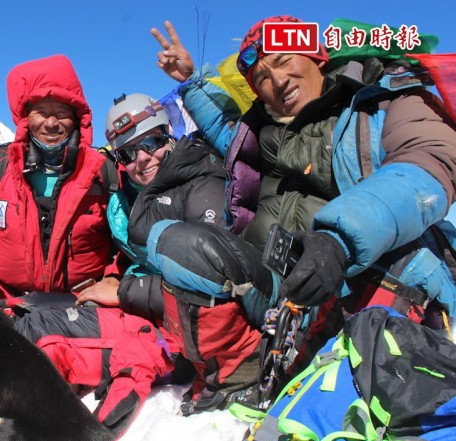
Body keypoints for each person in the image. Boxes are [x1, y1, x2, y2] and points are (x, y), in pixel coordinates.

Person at [147, 16, 456, 380]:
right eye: (261, 76)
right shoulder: (260, 134)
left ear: (317, 56)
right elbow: (221, 124)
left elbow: (426, 162)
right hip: (280, 294)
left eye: (283, 60)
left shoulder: (383, 99)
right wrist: (191, 80)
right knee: (177, 240)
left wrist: (338, 240)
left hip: (360, 279)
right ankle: (243, 372)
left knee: (403, 259)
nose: (277, 81)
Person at [76, 93, 276, 415]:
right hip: (158, 312)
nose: (143, 158)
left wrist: (125, 291)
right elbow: (134, 258)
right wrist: (115, 278)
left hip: (220, 324)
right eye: (129, 152)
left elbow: (208, 276)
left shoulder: (200, 183)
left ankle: (238, 380)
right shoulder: (128, 199)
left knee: (186, 246)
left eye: (152, 141)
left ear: (168, 135)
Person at [0, 54, 117, 299]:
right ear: (25, 118)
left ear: (77, 117)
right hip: (10, 302)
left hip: (86, 305)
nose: (51, 123)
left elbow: (133, 237)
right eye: (40, 112)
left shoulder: (103, 171)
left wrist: (114, 277)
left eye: (61, 112)